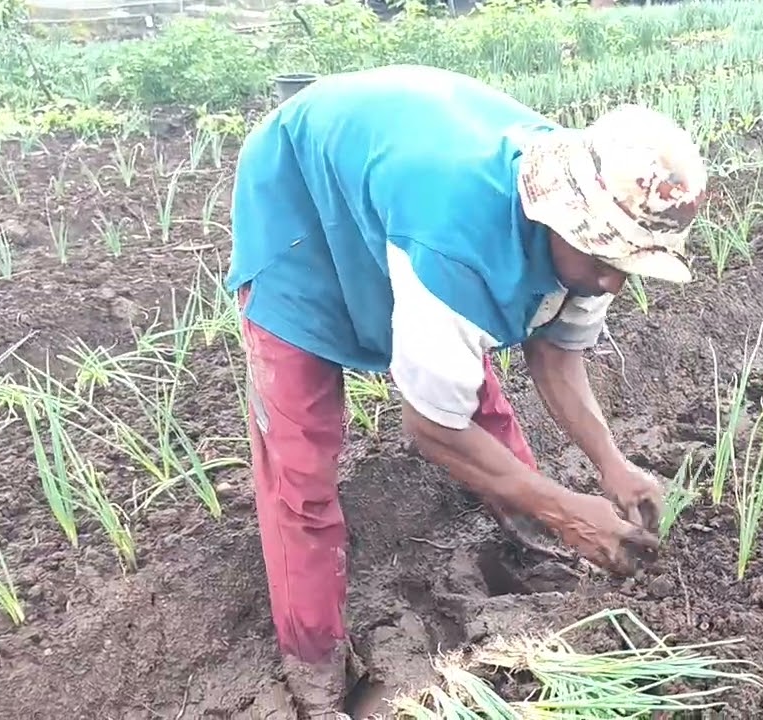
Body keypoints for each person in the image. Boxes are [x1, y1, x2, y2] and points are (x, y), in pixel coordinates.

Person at [226, 63, 708, 718]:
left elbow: (559, 355)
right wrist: (568, 507)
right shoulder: (458, 244)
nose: (613, 283)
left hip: (399, 187)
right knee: (300, 461)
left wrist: (610, 466)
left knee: (459, 368)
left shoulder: (583, 234)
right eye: (603, 261)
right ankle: (315, 667)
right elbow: (430, 429)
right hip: (297, 205)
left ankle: (527, 535)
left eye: (626, 265)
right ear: (561, 220)